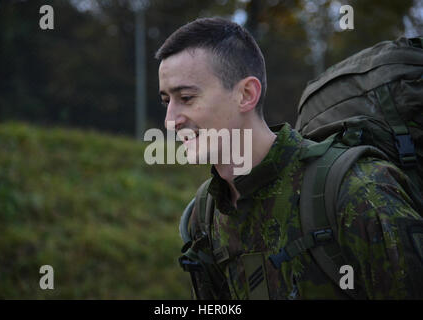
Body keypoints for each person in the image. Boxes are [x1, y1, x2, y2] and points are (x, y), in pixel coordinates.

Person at [155, 17, 423, 299]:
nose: (170, 120)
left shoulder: (355, 191)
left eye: (186, 97)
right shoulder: (205, 213)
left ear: (246, 94)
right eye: (166, 101)